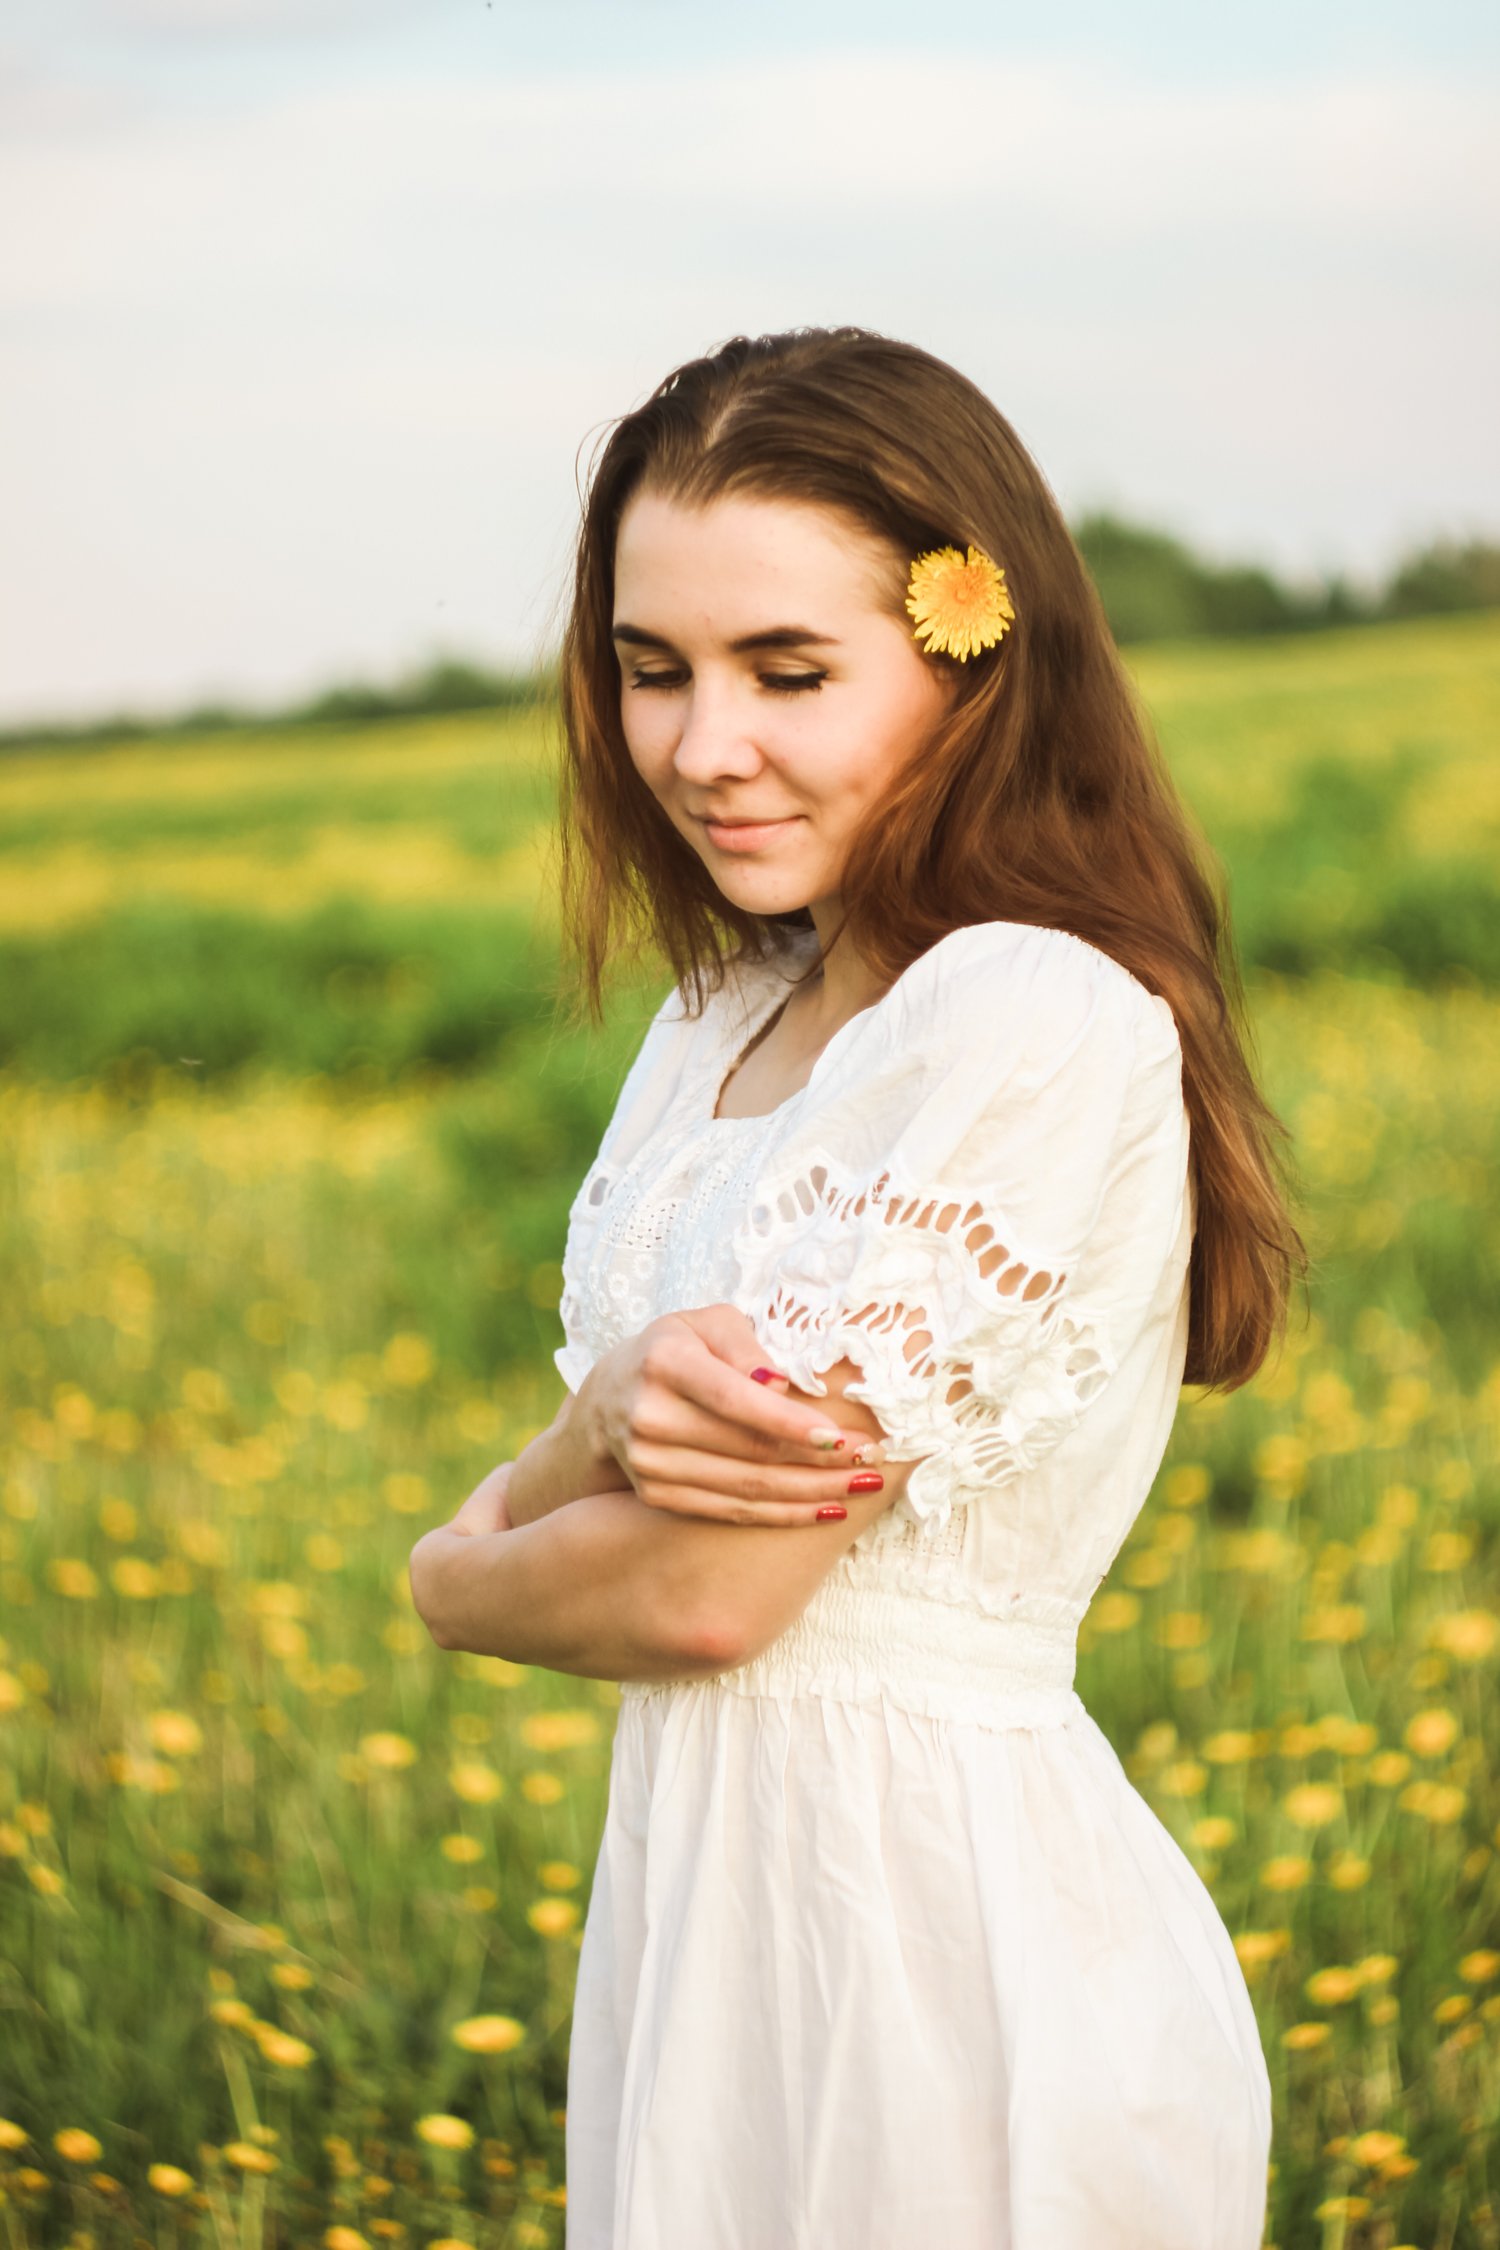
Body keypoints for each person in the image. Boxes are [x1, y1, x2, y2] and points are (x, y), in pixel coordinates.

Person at [408, 325, 1307, 2250]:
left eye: (787, 671)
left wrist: (450, 1568)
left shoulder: (1026, 1013)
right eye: (652, 671)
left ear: (970, 660)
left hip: (938, 1955)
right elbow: (639, 1473)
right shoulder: (723, 1016)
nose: (699, 745)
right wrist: (590, 1431)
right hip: (719, 1918)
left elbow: (715, 1582)